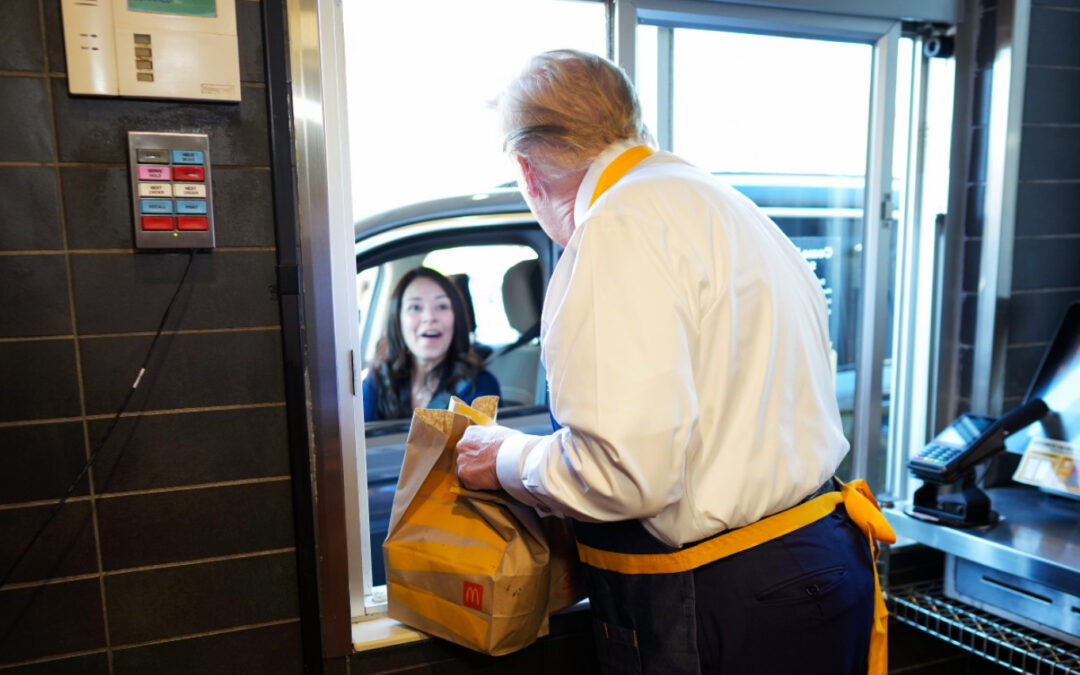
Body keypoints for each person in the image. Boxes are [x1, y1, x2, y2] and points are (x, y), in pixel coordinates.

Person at [455, 50, 892, 674]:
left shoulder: (615, 227)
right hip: (821, 561)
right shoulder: (727, 205)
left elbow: (624, 475)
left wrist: (505, 455)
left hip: (728, 601)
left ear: (527, 171)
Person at [362, 267, 499, 421]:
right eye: (415, 307)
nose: (429, 317)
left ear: (456, 317)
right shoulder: (378, 379)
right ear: (397, 320)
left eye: (442, 306)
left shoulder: (480, 385)